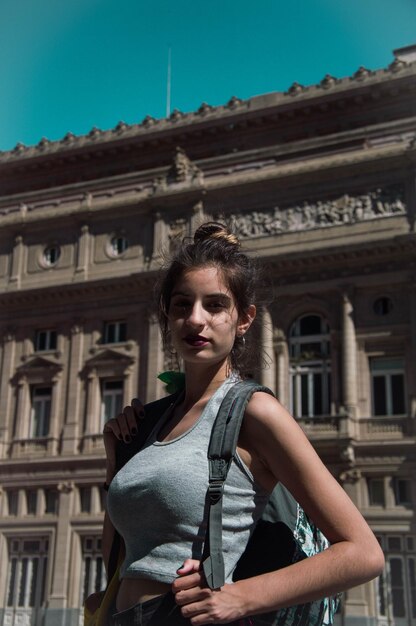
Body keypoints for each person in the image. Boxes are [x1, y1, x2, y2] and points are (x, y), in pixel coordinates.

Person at [100, 222, 384, 625]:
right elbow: (118, 558)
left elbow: (364, 552)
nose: (196, 319)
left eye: (215, 305)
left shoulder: (253, 412)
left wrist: (242, 597)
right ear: (167, 314)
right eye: (182, 305)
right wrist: (116, 465)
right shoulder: (154, 421)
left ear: (244, 318)